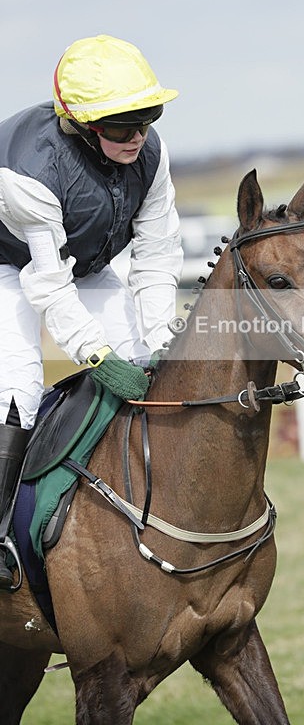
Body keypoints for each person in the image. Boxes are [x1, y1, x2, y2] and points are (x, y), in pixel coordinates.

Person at [0, 34, 183, 588]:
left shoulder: (151, 154)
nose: (137, 137)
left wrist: (161, 340)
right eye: (121, 127)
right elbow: (49, 288)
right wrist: (98, 358)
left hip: (82, 263)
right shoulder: (29, 172)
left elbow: (157, 255)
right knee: (18, 388)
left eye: (146, 119)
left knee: (147, 365)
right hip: (10, 265)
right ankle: (1, 534)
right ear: (80, 125)